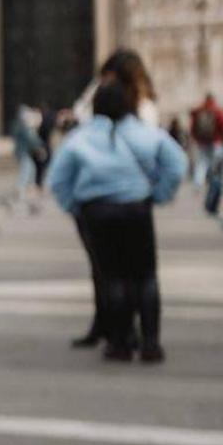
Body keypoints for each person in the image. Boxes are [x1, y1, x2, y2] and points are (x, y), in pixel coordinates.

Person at [47, 79, 187, 363]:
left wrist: (75, 206)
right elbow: (177, 163)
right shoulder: (144, 133)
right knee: (145, 275)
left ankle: (120, 343)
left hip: (98, 210)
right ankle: (150, 343)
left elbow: (58, 179)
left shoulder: (80, 137)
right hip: (136, 208)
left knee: (112, 277)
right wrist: (158, 194)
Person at [69, 49, 157, 349]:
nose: (101, 82)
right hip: (104, 196)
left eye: (106, 76)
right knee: (104, 268)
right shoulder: (100, 98)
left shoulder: (138, 108)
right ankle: (108, 325)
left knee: (123, 270)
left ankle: (124, 332)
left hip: (112, 196)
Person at [189, 92, 223, 215]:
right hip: (216, 141)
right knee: (216, 164)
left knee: (201, 163)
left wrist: (196, 138)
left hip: (202, 141)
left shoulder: (199, 111)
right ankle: (214, 181)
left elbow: (192, 127)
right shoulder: (217, 111)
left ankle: (198, 183)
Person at [10, 104, 46, 205]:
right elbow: (31, 139)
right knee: (27, 169)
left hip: (22, 151)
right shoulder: (23, 126)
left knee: (30, 168)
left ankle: (26, 189)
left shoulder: (19, 124)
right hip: (22, 152)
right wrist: (40, 146)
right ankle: (21, 188)